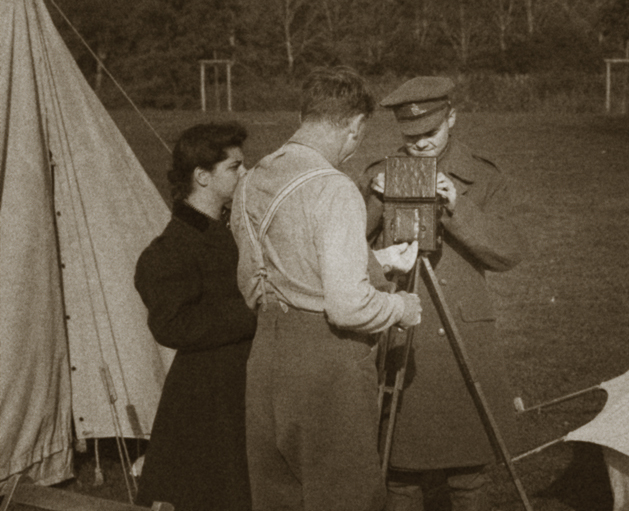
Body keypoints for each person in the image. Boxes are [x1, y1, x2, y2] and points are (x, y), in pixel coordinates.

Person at [230, 65, 422, 511]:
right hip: (326, 366)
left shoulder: (251, 180)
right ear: (354, 126)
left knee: (278, 498)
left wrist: (371, 262)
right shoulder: (333, 188)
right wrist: (401, 306)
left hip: (264, 361)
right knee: (346, 497)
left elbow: (253, 283)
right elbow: (348, 307)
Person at [357, 76, 528, 511]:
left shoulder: (482, 176)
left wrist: (457, 208)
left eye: (429, 133)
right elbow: (349, 249)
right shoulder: (378, 174)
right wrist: (376, 201)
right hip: (399, 327)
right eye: (409, 136)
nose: (419, 145)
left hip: (460, 335)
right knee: (399, 467)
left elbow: (508, 252)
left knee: (468, 469)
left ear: (452, 118)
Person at [133, 122, 256, 511]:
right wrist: (248, 311)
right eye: (235, 167)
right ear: (202, 177)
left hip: (237, 388)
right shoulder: (170, 249)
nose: (245, 174)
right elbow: (171, 325)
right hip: (203, 401)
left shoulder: (229, 229)